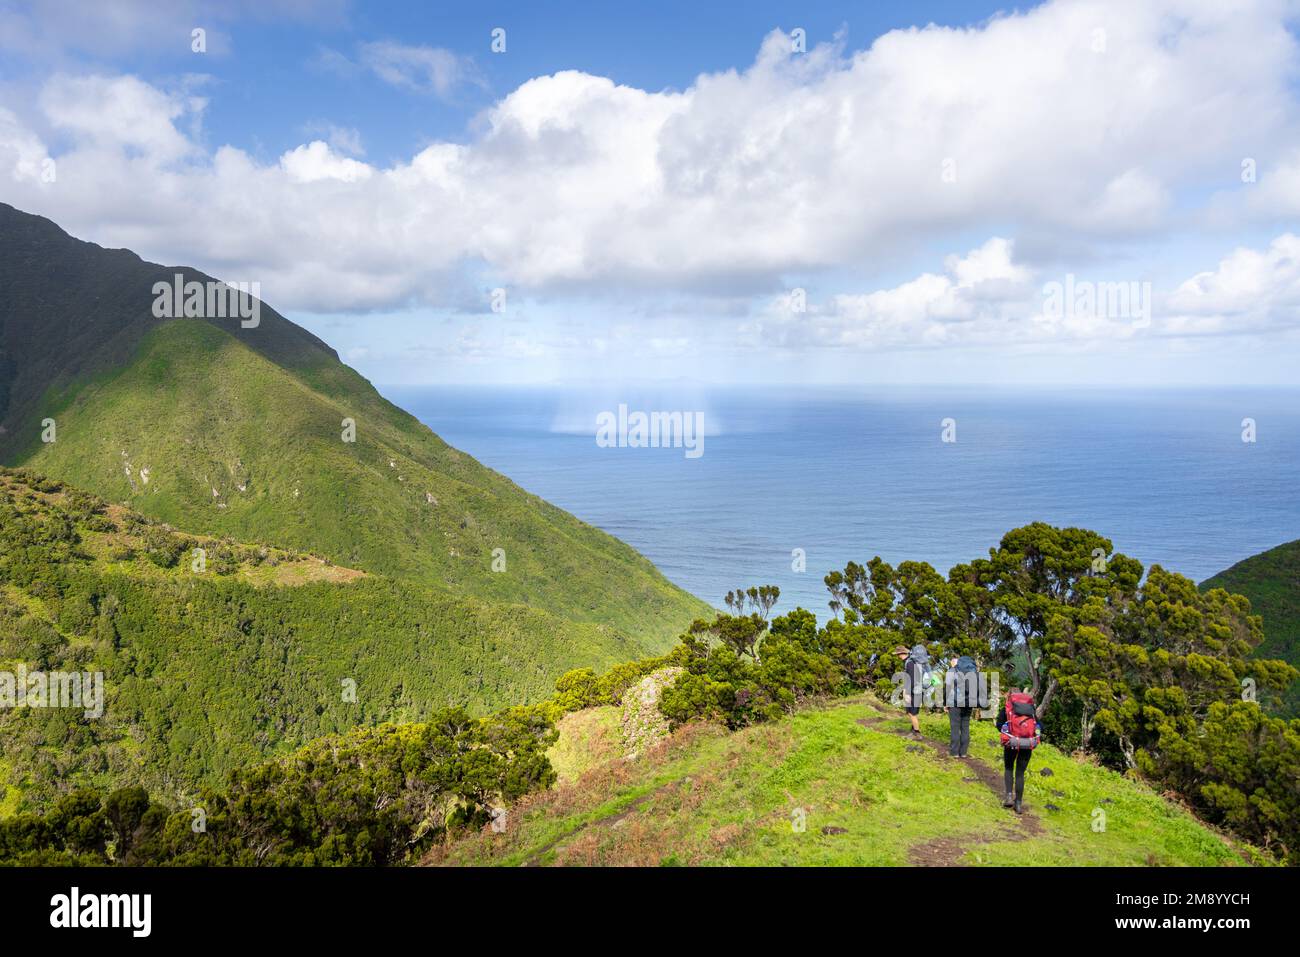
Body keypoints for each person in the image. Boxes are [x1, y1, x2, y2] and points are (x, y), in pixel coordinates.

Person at [997, 687, 1040, 814]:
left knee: (1009, 768)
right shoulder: (1030, 710)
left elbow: (999, 725)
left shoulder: (1007, 709)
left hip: (1011, 742)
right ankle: (1019, 803)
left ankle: (1009, 796)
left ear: (1010, 696)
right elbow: (1039, 726)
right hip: (1027, 744)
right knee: (1020, 773)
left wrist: (1008, 732)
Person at [946, 655, 979, 757]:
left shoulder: (951, 671)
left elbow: (946, 689)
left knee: (955, 727)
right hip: (969, 703)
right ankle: (963, 752)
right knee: (965, 727)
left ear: (954, 662)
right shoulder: (973, 672)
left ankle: (954, 752)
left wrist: (945, 703)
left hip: (955, 703)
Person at [895, 644, 924, 738]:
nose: (897, 656)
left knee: (912, 713)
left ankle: (917, 733)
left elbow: (911, 679)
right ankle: (913, 731)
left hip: (913, 691)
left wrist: (907, 693)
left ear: (901, 654)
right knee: (911, 712)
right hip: (918, 690)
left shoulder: (909, 663)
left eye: (897, 654)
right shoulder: (912, 662)